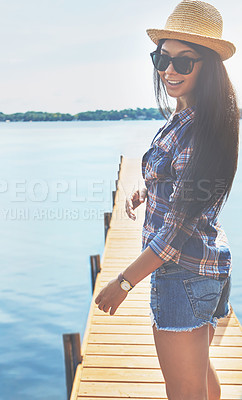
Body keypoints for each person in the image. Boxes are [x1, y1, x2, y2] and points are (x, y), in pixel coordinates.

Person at [95, 1, 240, 399]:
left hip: (183, 276)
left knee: (183, 390)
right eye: (162, 58)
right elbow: (188, 187)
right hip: (208, 267)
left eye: (183, 62)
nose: (168, 70)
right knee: (201, 377)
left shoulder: (198, 131)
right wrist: (150, 188)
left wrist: (123, 282)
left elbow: (175, 233)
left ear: (207, 67)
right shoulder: (194, 117)